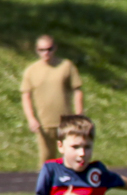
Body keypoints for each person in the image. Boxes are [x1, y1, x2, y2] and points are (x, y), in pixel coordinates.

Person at [20, 35, 84, 170]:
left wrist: (78, 115)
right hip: (44, 124)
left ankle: (73, 188)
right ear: (37, 50)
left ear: (55, 48)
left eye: (49, 49)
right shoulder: (31, 71)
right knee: (47, 160)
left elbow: (77, 90)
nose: (46, 53)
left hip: (66, 123)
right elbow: (26, 96)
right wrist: (31, 119)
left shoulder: (66, 66)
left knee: (71, 158)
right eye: (42, 50)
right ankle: (48, 188)